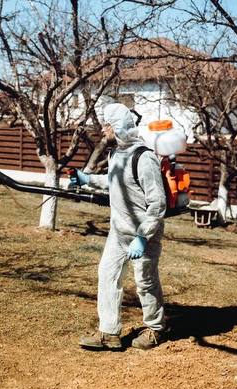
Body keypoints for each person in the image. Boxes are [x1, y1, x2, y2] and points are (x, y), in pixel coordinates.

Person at [72, 103, 167, 350]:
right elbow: (114, 182)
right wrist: (87, 179)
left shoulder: (145, 157)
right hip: (118, 231)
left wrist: (143, 237)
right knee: (107, 275)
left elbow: (158, 202)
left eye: (107, 125)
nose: (103, 130)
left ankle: (155, 328)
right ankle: (109, 332)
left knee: (145, 282)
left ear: (119, 126)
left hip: (142, 234)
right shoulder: (116, 153)